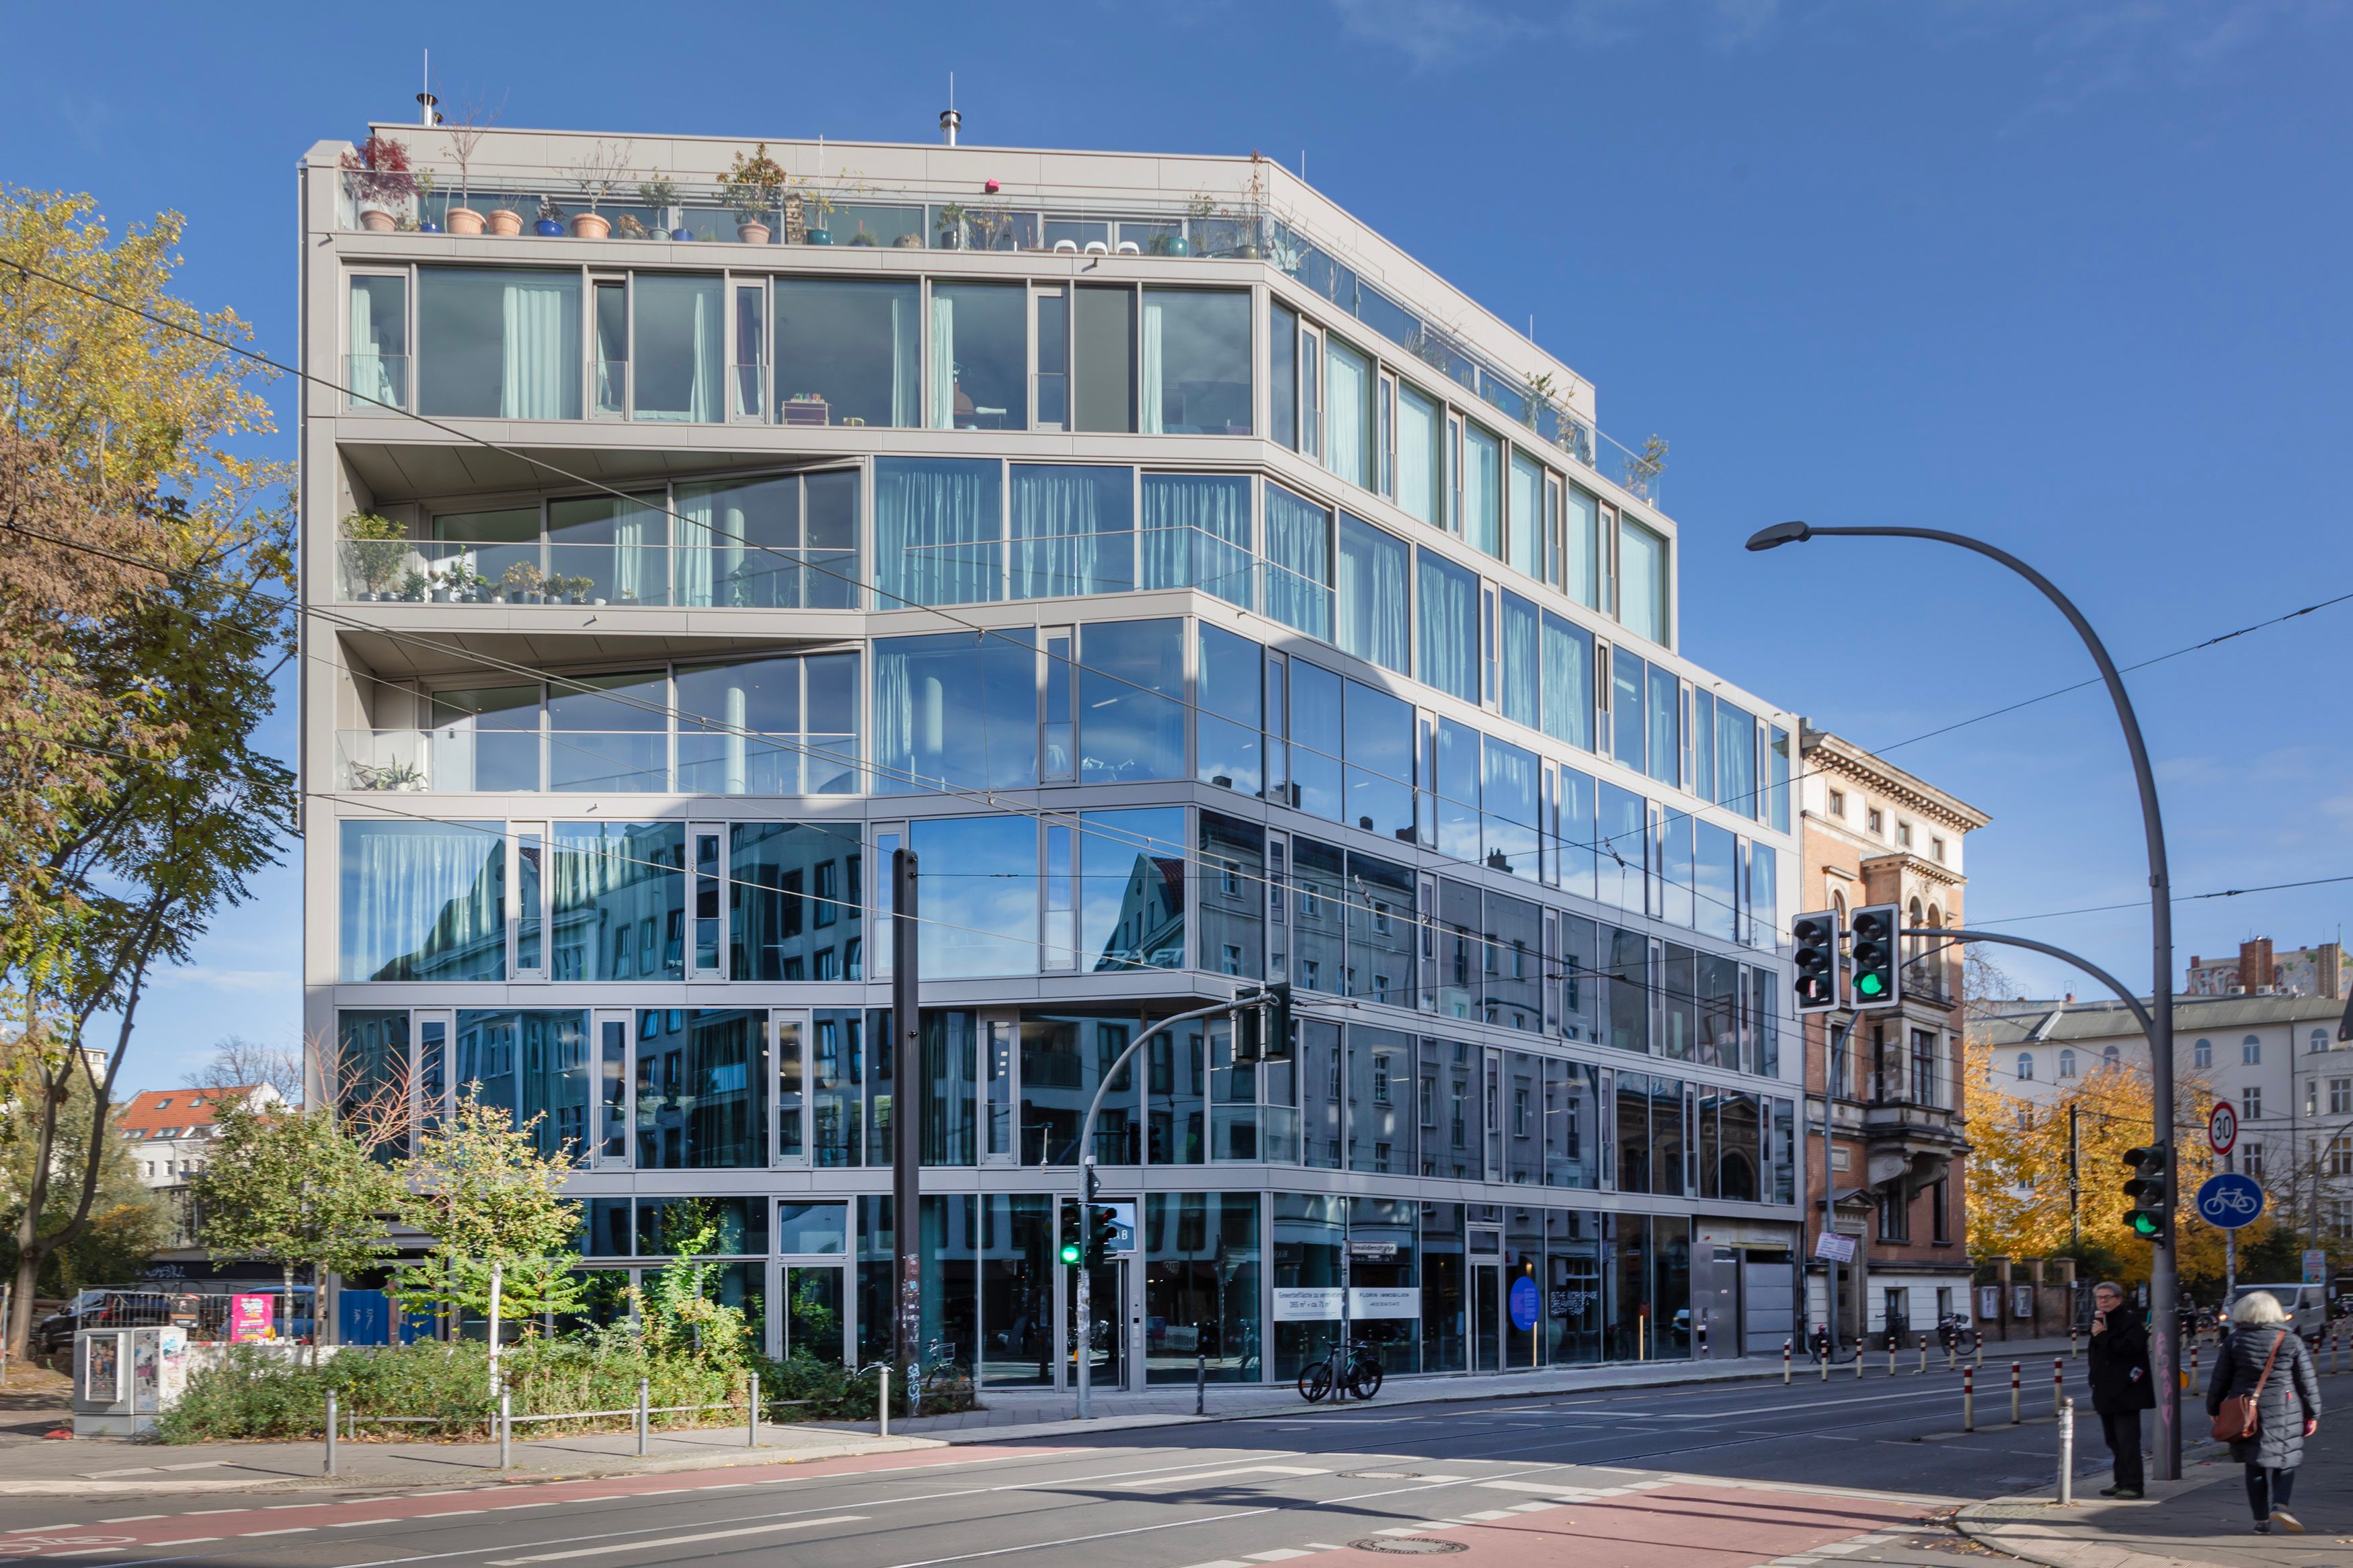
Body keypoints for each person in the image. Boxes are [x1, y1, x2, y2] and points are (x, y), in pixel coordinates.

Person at [2206, 1289, 2322, 1534]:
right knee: (2285, 1460)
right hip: (2285, 1408)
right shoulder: (2289, 1340)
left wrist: (2214, 1408)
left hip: (2245, 1410)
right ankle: (2280, 1504)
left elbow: (2220, 1379)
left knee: (2254, 1464)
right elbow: (2305, 1381)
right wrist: (2313, 1414)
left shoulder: (2234, 1342)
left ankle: (2261, 1521)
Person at [2085, 1280, 2153, 1498]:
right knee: (2113, 1440)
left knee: (2128, 1440)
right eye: (2099, 1298)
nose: (2103, 1301)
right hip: (2105, 1391)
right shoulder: (2100, 1322)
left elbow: (2129, 1349)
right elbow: (2097, 1356)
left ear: (2118, 1299)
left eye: (2108, 1297)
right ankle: (2120, 1480)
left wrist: (2104, 1335)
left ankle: (2134, 1484)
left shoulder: (2130, 1322)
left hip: (2126, 1391)